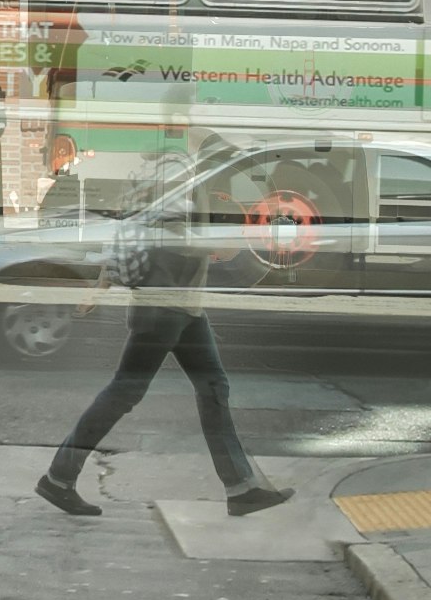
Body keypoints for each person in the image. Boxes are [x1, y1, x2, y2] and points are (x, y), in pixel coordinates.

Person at [36, 158, 290, 522]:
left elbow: (142, 235)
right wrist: (215, 244)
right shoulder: (179, 187)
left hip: (183, 311)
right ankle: (58, 478)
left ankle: (242, 490)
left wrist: (100, 288)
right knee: (124, 392)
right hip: (163, 312)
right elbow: (166, 236)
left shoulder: (184, 186)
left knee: (213, 387)